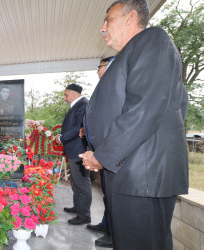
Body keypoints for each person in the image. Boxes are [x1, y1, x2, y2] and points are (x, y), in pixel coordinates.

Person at [81, 1, 188, 249]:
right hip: (132, 172)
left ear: (130, 18)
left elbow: (143, 109)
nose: (102, 28)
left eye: (108, 19)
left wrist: (103, 156)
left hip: (143, 175)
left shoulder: (153, 41)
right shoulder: (133, 52)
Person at [83, 56, 114, 248]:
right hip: (102, 152)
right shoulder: (106, 87)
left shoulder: (117, 87)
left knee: (113, 197)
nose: (97, 70)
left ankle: (113, 234)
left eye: (100, 66)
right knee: (107, 195)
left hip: (112, 155)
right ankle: (106, 225)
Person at [54, 83, 91, 225]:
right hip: (73, 149)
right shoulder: (77, 104)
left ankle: (84, 215)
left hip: (79, 150)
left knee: (82, 183)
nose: (64, 98)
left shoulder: (83, 104)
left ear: (74, 94)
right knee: (75, 182)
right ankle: (78, 207)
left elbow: (78, 128)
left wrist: (61, 138)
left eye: (66, 94)